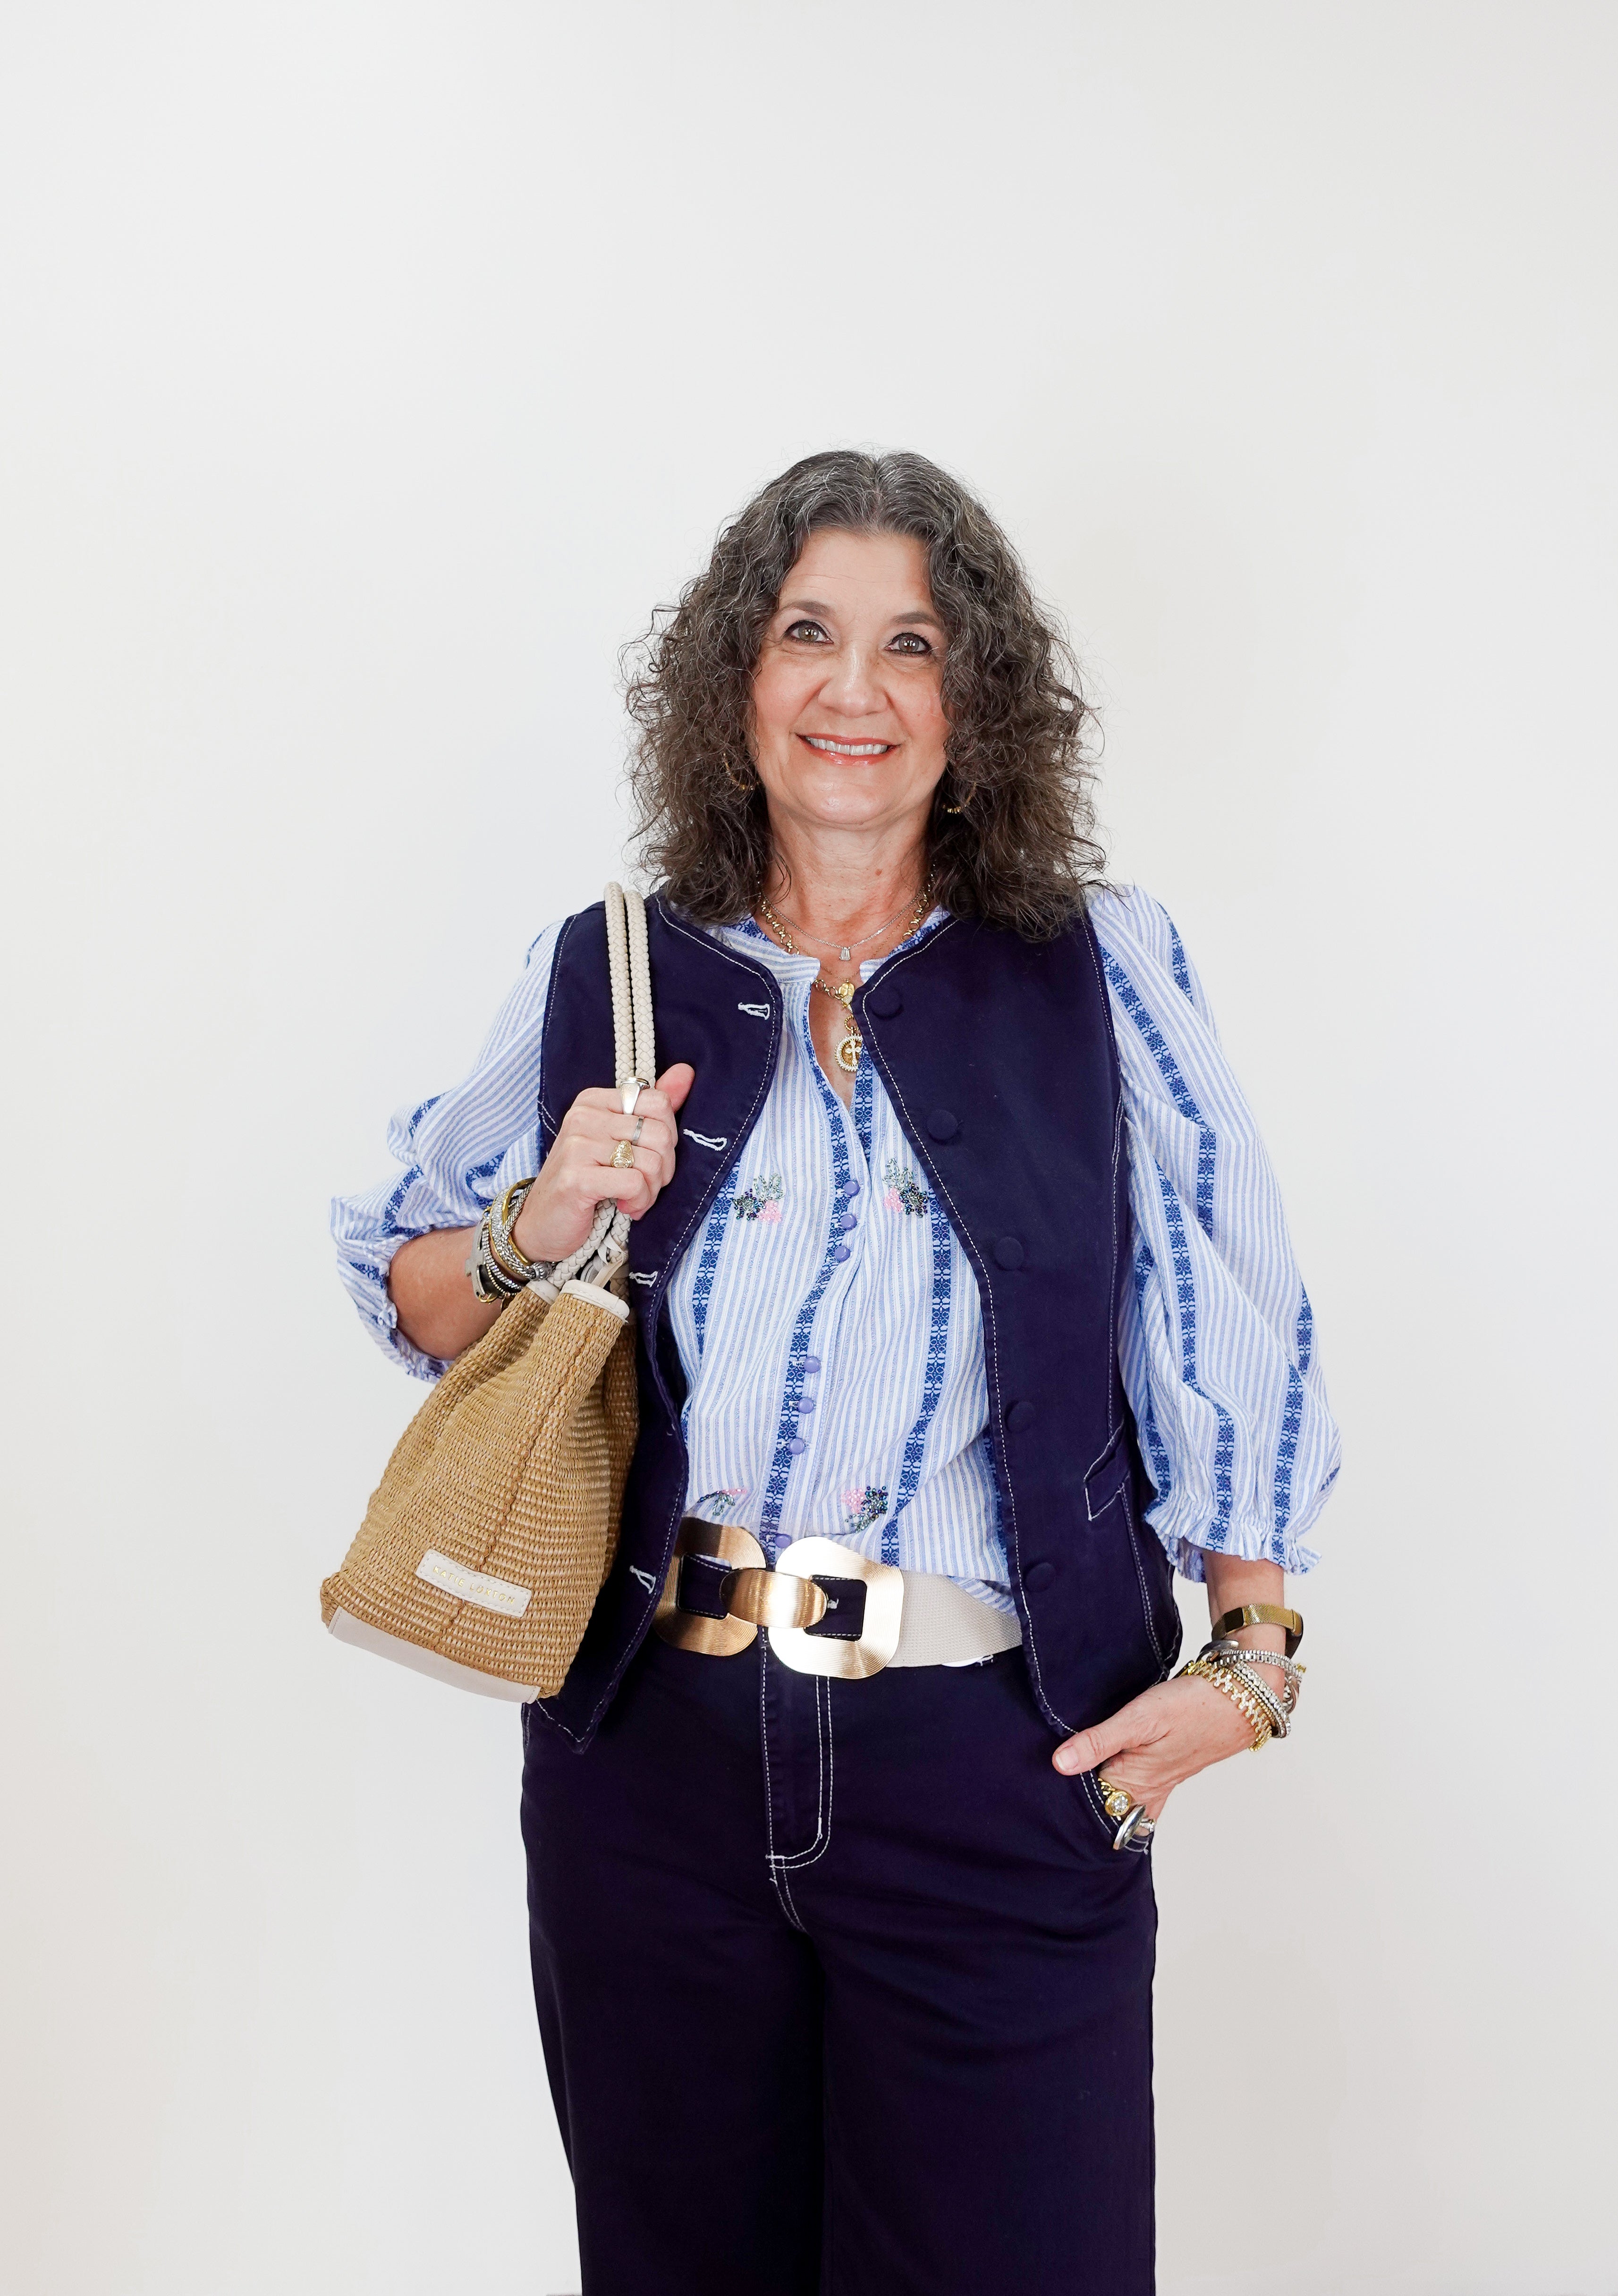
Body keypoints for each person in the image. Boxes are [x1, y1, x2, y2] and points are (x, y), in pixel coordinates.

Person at [331, 450, 1339, 2295]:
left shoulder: (1096, 966)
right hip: (652, 1759)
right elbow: (405, 1282)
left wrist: (1251, 1665)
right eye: (808, 632)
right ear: (737, 678)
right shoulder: (618, 968)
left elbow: (1230, 1307)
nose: (853, 688)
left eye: (911, 643)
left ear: (980, 702)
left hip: (994, 1757)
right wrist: (539, 1211)